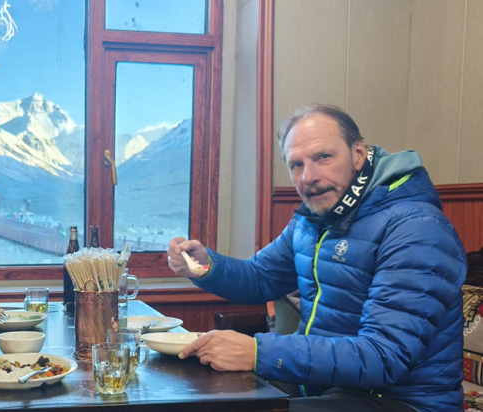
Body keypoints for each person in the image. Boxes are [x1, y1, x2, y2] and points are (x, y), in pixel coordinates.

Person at [167, 104, 465, 412]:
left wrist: (258, 352)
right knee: (196, 388)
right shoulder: (312, 220)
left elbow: (383, 356)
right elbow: (260, 278)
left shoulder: (415, 228)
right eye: (296, 165)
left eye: (323, 157)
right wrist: (204, 266)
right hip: (326, 385)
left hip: (400, 401)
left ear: (358, 154)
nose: (309, 177)